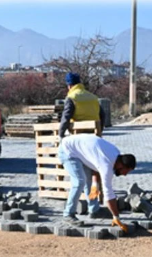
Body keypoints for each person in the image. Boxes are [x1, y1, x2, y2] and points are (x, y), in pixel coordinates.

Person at [59, 134, 136, 233]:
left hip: (80, 151)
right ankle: (68, 214)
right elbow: (108, 194)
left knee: (91, 183)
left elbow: (96, 165)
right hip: (68, 150)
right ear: (121, 165)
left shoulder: (116, 154)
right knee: (79, 182)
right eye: (126, 171)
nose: (125, 175)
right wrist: (116, 216)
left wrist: (95, 183)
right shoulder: (107, 165)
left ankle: (94, 211)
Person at [59, 72, 105, 200]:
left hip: (79, 139)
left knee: (83, 173)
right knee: (94, 171)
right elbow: (103, 116)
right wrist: (100, 130)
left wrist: (61, 135)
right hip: (95, 137)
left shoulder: (72, 97)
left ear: (69, 85)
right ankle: (94, 202)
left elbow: (66, 117)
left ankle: (87, 199)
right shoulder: (93, 97)